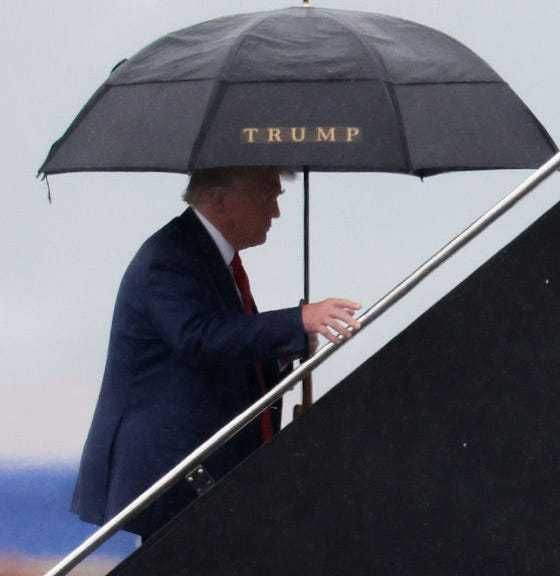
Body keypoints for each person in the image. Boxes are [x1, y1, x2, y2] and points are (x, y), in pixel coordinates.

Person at [70, 166, 361, 538]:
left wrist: (285, 351)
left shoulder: (207, 257)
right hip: (171, 474)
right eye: (266, 197)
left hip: (200, 472)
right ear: (220, 200)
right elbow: (199, 338)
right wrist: (297, 320)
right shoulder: (169, 258)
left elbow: (224, 351)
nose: (275, 212)